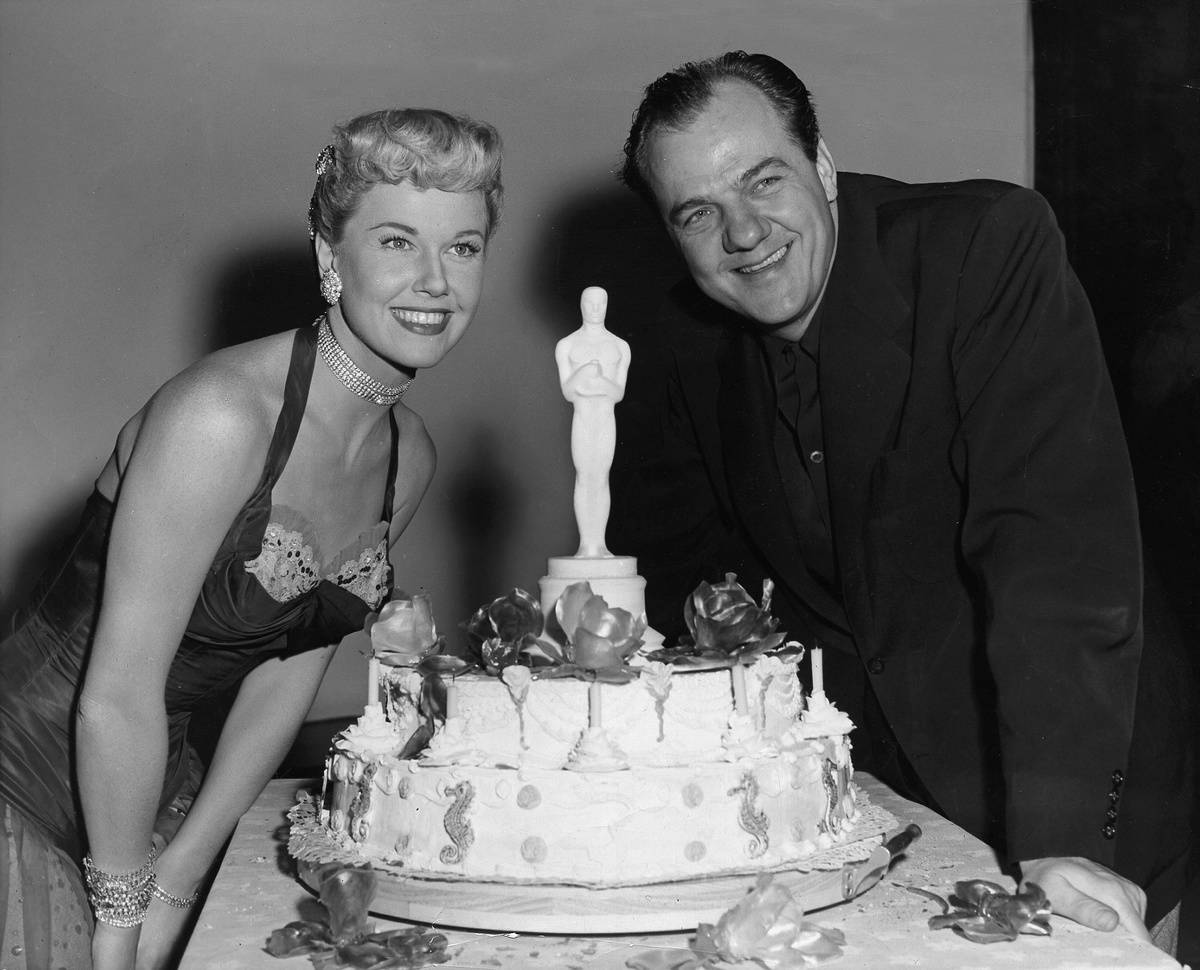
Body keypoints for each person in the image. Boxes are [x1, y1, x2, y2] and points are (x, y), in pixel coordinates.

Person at [610, 50, 1193, 947]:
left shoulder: (984, 248)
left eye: (765, 180)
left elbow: (1055, 560)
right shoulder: (675, 343)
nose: (744, 232)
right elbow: (682, 590)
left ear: (826, 167)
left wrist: (1061, 842)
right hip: (878, 815)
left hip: (1077, 781)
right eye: (698, 212)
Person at [0, 106, 502, 970]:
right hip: (23, 782)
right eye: (395, 242)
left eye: (461, 247)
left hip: (150, 791)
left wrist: (181, 877)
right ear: (327, 257)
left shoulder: (406, 457)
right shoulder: (219, 417)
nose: (434, 281)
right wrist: (121, 923)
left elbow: (287, 673)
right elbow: (114, 697)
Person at [555, 286, 631, 558]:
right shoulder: (568, 345)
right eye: (590, 303)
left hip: (604, 418)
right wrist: (587, 373)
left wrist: (595, 383)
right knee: (584, 477)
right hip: (584, 418)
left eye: (601, 303)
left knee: (601, 479)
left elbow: (618, 392)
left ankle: (599, 544)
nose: (596, 309)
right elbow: (568, 390)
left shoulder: (620, 346)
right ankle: (585, 545)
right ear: (581, 305)